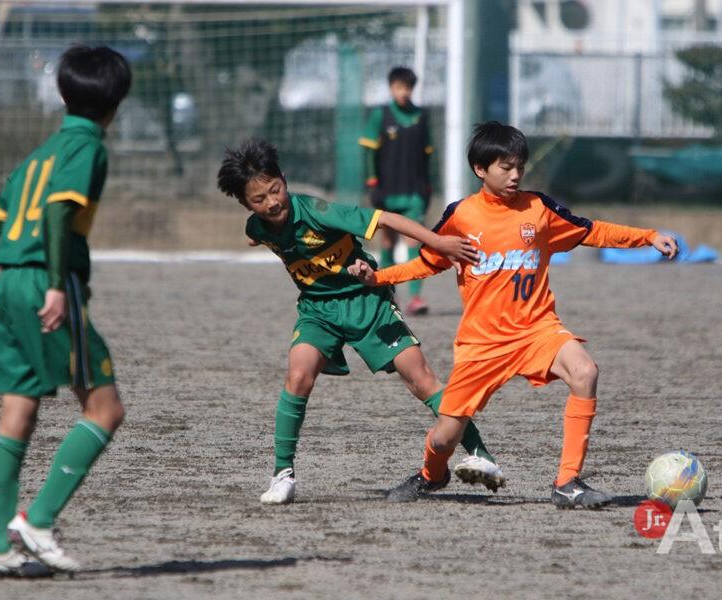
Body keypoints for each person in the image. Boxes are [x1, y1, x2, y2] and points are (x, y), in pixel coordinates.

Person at [348, 121, 679, 507]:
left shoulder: (538, 209)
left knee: (585, 371)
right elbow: (427, 262)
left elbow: (590, 230)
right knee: (444, 438)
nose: (515, 175)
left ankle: (567, 482)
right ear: (480, 169)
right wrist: (379, 278)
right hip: (482, 344)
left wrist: (648, 236)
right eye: (505, 167)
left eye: (519, 166)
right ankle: (430, 475)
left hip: (537, 330)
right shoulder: (462, 217)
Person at [216, 138, 505, 506]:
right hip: (318, 311)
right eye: (259, 200)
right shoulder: (258, 226)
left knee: (421, 380)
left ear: (284, 179)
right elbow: (254, 233)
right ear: (246, 204)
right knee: (298, 375)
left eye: (276, 190)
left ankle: (481, 455)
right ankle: (282, 475)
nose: (272, 202)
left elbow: (385, 218)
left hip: (368, 303)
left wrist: (439, 242)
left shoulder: (319, 212)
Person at [0, 45, 132, 575]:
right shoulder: (87, 147)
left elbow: (0, 215)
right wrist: (53, 284)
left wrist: (22, 264)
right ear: (116, 101)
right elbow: (56, 213)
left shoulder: (38, 153)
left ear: (64, 93)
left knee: (18, 407)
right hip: (45, 285)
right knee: (104, 408)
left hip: (7, 283)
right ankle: (38, 521)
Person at [358, 66, 433, 316]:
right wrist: (372, 183)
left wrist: (427, 186)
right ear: (391, 88)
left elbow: (427, 156)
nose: (404, 92)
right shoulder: (380, 115)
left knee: (415, 241)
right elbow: (369, 152)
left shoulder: (421, 116)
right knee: (388, 242)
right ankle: (389, 294)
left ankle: (415, 298)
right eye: (399, 87)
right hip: (387, 192)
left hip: (413, 192)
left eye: (408, 87)